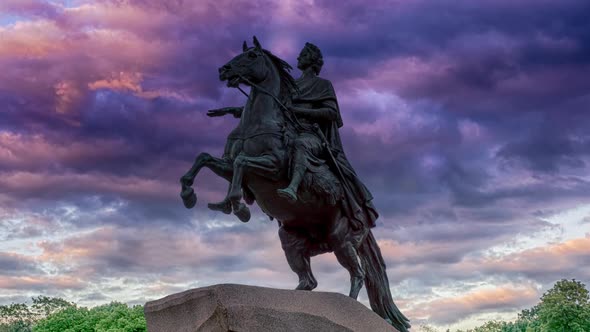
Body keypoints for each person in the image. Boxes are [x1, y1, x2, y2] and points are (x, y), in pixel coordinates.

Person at [276, 42, 378, 231]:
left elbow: (332, 113)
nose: (298, 58)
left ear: (312, 61)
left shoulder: (322, 85)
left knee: (300, 145)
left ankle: (293, 187)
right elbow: (274, 108)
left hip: (311, 135)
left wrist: (298, 111)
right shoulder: (291, 86)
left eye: (303, 55)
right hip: (287, 132)